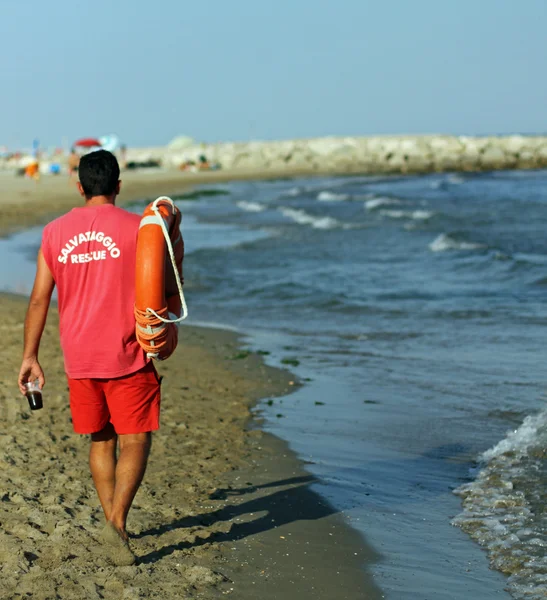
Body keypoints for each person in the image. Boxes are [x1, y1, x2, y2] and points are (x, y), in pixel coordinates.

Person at [18, 150, 161, 566]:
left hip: (78, 356)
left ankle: (111, 521)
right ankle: (116, 523)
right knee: (135, 439)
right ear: (118, 185)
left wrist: (30, 356)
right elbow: (162, 287)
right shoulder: (139, 229)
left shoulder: (55, 232)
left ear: (79, 187)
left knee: (101, 438)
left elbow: (40, 298)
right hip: (127, 353)